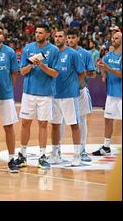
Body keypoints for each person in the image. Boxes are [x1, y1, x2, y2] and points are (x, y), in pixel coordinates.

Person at [16, 24, 60, 170]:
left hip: (46, 94)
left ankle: (42, 156)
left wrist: (42, 66)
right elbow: (22, 71)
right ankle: (22, 154)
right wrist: (32, 65)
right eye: (36, 32)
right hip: (29, 92)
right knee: (25, 123)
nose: (37, 35)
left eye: (41, 33)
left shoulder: (53, 50)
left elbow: (55, 73)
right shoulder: (28, 48)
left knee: (43, 124)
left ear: (48, 34)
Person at [49, 30, 85, 167]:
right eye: (56, 37)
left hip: (69, 95)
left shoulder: (73, 54)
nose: (58, 39)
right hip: (54, 95)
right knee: (55, 125)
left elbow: (82, 73)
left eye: (60, 37)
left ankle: (77, 155)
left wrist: (75, 86)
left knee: (74, 125)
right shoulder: (52, 53)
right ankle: (55, 153)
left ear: (65, 39)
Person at [0, 25, 20, 173]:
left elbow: (15, 73)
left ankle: (12, 159)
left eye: (0, 33)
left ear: (3, 37)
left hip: (5, 96)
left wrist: (9, 88)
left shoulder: (9, 52)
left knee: (9, 127)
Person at [66, 29, 96, 162]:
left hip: (80, 91)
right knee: (59, 121)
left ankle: (82, 149)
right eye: (69, 37)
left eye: (73, 37)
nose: (70, 40)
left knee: (82, 121)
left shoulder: (85, 53)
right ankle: (57, 151)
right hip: (64, 93)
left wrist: (84, 72)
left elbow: (93, 73)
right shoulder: (61, 52)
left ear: (78, 38)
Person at [93, 31, 121, 156]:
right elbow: (104, 77)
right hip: (111, 94)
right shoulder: (108, 56)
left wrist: (108, 68)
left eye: (116, 38)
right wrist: (101, 68)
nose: (113, 40)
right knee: (108, 119)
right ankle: (106, 146)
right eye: (113, 38)